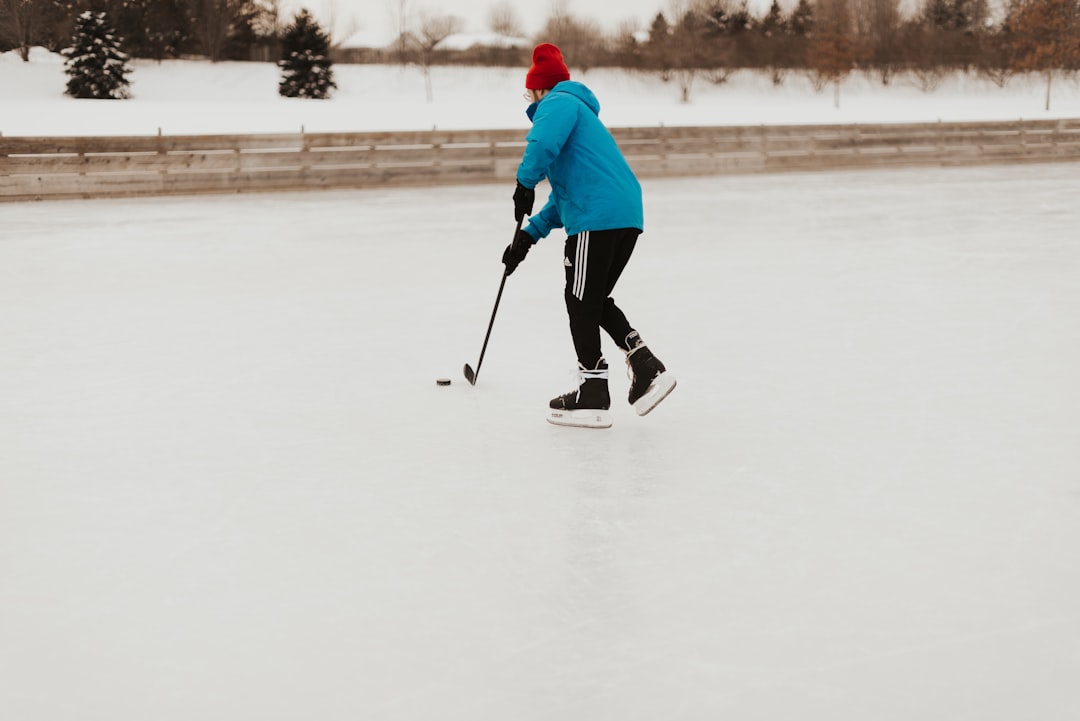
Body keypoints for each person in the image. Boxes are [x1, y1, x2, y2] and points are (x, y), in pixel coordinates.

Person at [501, 43, 676, 428]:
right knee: (592, 299)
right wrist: (528, 236)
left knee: (580, 300)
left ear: (540, 89)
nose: (528, 99)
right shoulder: (579, 115)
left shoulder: (559, 103)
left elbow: (542, 146)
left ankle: (593, 390)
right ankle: (645, 364)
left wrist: (524, 182)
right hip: (622, 214)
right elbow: (565, 197)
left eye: (529, 92)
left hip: (597, 218)